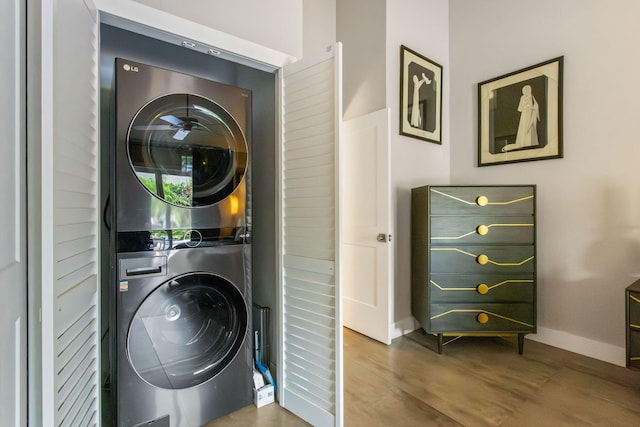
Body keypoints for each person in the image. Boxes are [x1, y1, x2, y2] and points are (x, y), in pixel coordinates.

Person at [502, 85, 540, 152]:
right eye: (525, 90)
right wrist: (526, 105)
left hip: (530, 112)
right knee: (524, 126)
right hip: (524, 113)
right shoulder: (522, 97)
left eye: (527, 90)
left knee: (530, 126)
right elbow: (520, 108)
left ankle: (530, 142)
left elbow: (535, 106)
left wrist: (530, 107)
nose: (526, 91)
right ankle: (523, 142)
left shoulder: (531, 96)